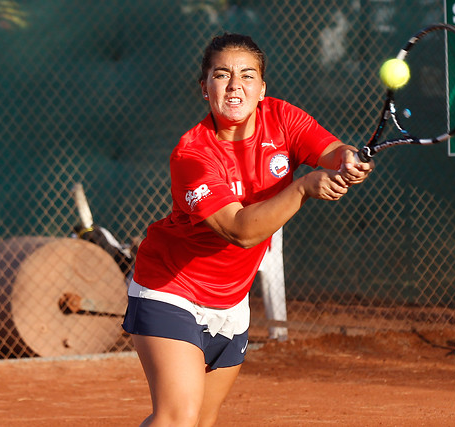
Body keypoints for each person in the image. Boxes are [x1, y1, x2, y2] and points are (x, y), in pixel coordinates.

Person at [122, 32, 374, 427]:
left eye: (247, 75)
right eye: (221, 74)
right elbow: (241, 231)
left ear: (262, 89)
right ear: (204, 88)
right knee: (177, 419)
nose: (235, 85)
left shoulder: (282, 118)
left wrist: (347, 161)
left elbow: (331, 150)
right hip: (171, 288)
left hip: (231, 303)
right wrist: (305, 186)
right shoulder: (192, 155)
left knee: (203, 421)